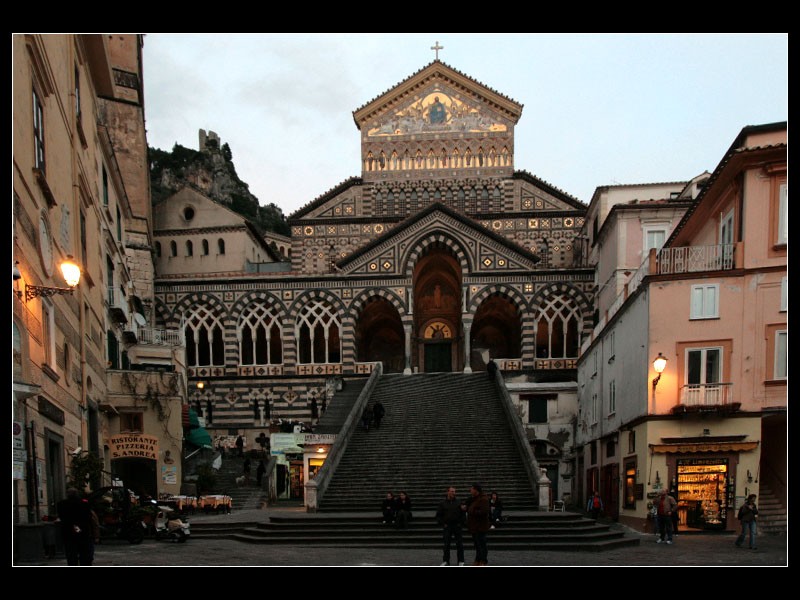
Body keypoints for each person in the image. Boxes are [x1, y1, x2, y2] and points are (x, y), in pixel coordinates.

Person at [56, 487, 94, 566]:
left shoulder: (61, 504)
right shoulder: (84, 503)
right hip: (82, 531)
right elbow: (89, 517)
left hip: (69, 531)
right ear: (77, 494)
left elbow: (62, 516)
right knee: (84, 553)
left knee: (71, 554)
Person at [436, 486, 465, 566]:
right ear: (447, 492)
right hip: (447, 526)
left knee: (459, 544)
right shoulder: (442, 503)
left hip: (457, 525)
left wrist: (461, 523)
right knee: (446, 544)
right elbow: (438, 515)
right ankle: (445, 560)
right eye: (452, 491)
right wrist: (443, 523)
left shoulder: (459, 502)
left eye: (454, 491)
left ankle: (461, 561)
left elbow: (463, 513)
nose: (453, 493)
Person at [466, 483, 491, 565]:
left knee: (482, 545)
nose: (470, 490)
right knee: (477, 545)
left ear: (476, 490)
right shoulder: (474, 498)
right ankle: (478, 559)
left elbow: (484, 512)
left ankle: (483, 560)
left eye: (472, 489)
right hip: (474, 526)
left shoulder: (483, 499)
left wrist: (471, 511)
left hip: (480, 526)